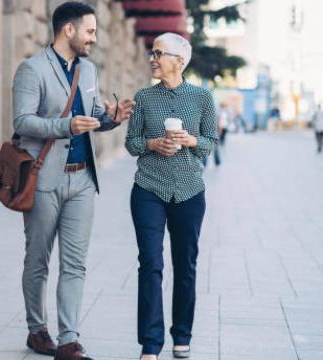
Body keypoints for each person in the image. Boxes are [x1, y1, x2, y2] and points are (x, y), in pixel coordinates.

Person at [13, 2, 135, 359]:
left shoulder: (90, 70)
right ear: (69, 29)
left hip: (82, 179)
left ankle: (69, 339)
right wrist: (64, 125)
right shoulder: (32, 70)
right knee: (37, 260)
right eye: (90, 31)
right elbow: (22, 121)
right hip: (44, 179)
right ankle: (37, 331)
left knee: (75, 263)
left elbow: (92, 116)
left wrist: (113, 117)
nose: (94, 39)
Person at [125, 32, 218, 360]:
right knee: (150, 262)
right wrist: (153, 144)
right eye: (152, 52)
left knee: (186, 264)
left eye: (159, 53)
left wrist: (191, 141)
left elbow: (211, 142)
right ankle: (150, 345)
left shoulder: (203, 98)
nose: (153, 58)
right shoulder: (144, 97)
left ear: (179, 61)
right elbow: (132, 143)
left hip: (190, 192)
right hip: (148, 188)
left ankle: (182, 336)